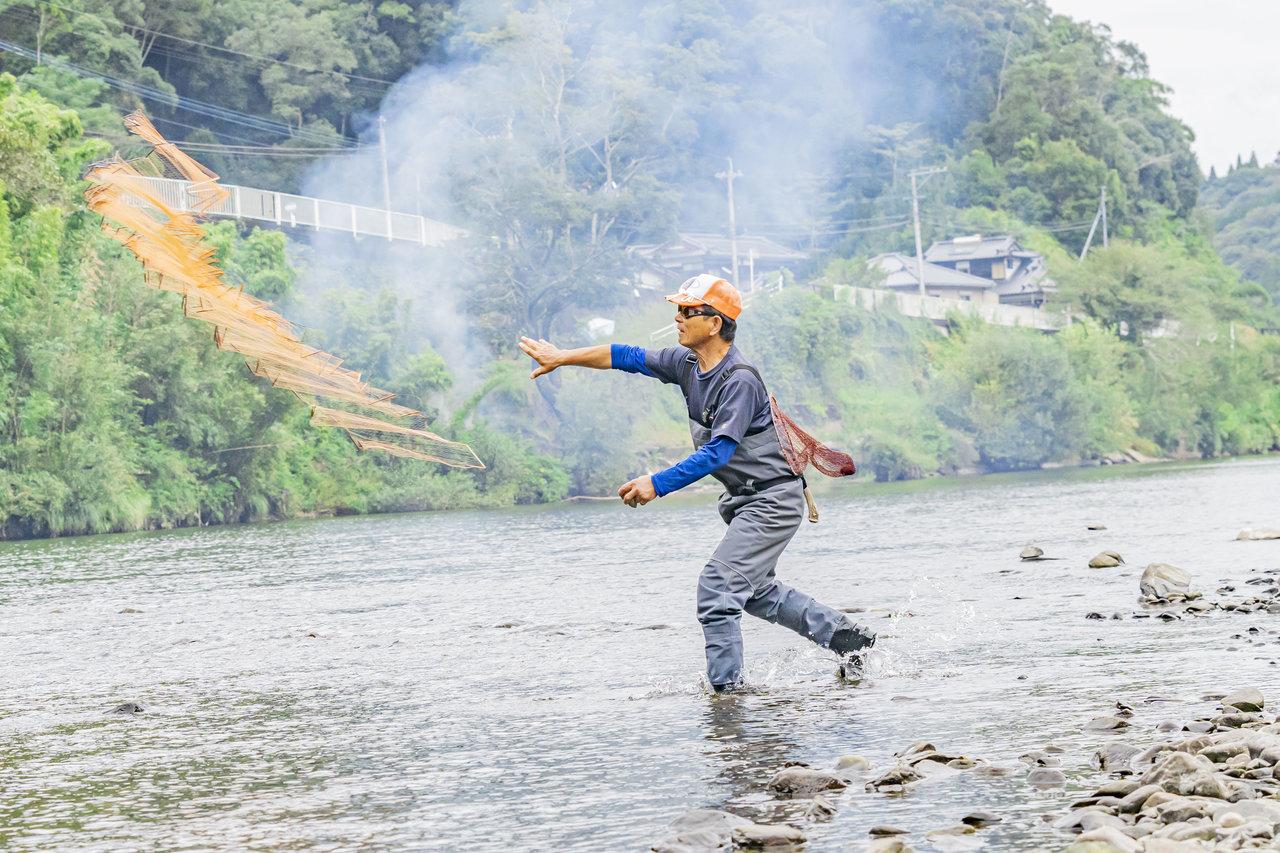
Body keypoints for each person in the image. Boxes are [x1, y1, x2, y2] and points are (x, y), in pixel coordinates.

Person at [518, 274, 876, 692]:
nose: (678, 317)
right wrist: (563, 357)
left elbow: (718, 453)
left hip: (772, 501)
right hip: (744, 502)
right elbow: (626, 356)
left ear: (715, 323)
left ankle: (727, 696)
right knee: (755, 592)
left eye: (689, 311)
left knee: (717, 587)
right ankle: (850, 640)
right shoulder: (687, 364)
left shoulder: (738, 380)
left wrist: (658, 482)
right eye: (679, 309)